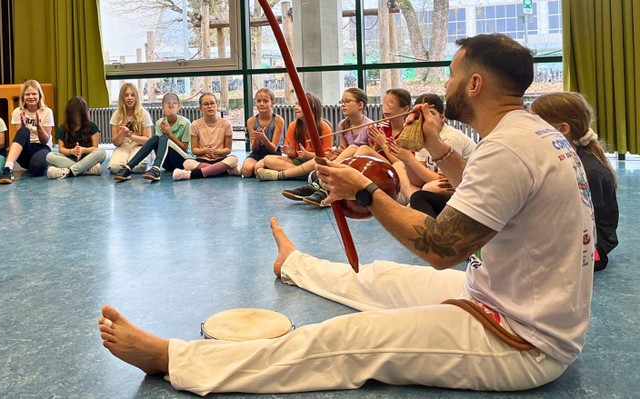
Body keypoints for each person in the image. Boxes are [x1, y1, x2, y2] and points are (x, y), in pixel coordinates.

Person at [97, 34, 595, 395]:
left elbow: (441, 248)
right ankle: (295, 266)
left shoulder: (508, 148)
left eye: (454, 74)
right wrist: (438, 149)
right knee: (377, 276)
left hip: (520, 340)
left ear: (477, 83)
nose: (447, 83)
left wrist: (365, 194)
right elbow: (479, 195)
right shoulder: (529, 133)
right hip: (501, 295)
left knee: (350, 340)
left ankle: (177, 360)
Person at [530, 91, 618, 271]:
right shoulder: (568, 156)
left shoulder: (588, 171)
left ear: (563, 129)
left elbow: (583, 224)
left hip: (592, 249)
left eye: (535, 124)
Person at [277, 88, 374, 205]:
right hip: (346, 162)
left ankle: (320, 184)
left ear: (360, 105)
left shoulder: (370, 126)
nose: (343, 105)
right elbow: (343, 149)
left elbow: (371, 153)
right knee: (324, 159)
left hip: (362, 165)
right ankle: (321, 185)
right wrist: (335, 153)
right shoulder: (342, 124)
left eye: (347, 101)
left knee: (353, 148)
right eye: (342, 102)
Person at [386, 93, 476, 213]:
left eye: (431, 113)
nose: (424, 118)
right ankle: (414, 198)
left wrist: (410, 159)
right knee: (397, 166)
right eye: (419, 114)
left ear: (442, 117)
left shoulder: (450, 137)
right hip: (435, 184)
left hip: (464, 185)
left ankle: (415, 202)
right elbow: (416, 180)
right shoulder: (421, 135)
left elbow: (444, 180)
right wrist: (406, 159)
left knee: (430, 187)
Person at [113, 92, 192, 182]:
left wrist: (170, 134)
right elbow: (157, 144)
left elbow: (185, 148)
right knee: (155, 138)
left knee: (164, 138)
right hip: (167, 163)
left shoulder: (185, 123)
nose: (171, 106)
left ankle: (155, 168)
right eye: (167, 103)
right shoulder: (159, 123)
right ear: (163, 108)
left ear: (179, 107)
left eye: (174, 103)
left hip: (184, 161)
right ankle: (128, 167)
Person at [254, 92, 332, 182]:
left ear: (311, 108)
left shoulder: (324, 127)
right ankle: (306, 174)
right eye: (295, 104)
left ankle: (282, 174)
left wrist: (308, 155)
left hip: (313, 161)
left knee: (315, 162)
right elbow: (294, 154)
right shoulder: (293, 126)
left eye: (299, 105)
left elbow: (326, 156)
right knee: (267, 160)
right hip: (298, 161)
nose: (295, 108)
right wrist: (291, 152)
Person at [171, 93, 239, 181]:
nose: (209, 106)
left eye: (212, 103)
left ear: (217, 105)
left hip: (220, 159)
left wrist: (216, 151)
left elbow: (228, 150)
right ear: (200, 108)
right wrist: (205, 151)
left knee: (233, 159)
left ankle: (190, 175)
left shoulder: (226, 124)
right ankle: (223, 170)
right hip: (202, 160)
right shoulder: (195, 124)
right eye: (206, 104)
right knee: (187, 163)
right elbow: (194, 150)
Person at [0, 80, 55, 184]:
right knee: (23, 130)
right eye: (27, 94)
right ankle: (7, 169)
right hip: (26, 149)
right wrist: (23, 127)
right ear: (23, 97)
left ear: (39, 95)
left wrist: (39, 126)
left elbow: (45, 140)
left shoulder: (47, 111)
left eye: (34, 94)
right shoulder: (18, 111)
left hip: (42, 146)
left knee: (36, 169)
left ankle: (40, 162)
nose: (31, 97)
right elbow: (20, 138)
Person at [45, 96, 107, 179]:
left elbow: (95, 148)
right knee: (49, 156)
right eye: (74, 114)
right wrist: (71, 151)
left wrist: (83, 150)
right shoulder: (62, 128)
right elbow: (61, 149)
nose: (77, 117)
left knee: (101, 152)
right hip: (68, 159)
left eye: (79, 114)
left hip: (87, 159)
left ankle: (68, 171)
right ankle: (87, 170)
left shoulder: (92, 127)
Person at [107, 83, 153, 175]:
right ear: (122, 98)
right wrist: (122, 134)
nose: (129, 98)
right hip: (123, 147)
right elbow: (115, 142)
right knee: (115, 168)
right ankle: (127, 165)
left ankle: (130, 165)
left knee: (138, 167)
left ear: (136, 97)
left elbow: (148, 140)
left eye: (132, 95)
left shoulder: (144, 114)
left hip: (139, 146)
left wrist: (131, 136)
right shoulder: (116, 114)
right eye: (126, 95)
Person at [241, 88, 285, 178]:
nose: (261, 104)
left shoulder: (278, 120)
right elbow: (254, 149)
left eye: (266, 101)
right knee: (245, 171)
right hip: (258, 152)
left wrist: (263, 138)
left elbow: (273, 149)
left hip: (273, 153)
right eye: (259, 101)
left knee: (258, 169)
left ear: (272, 103)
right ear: (255, 103)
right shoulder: (251, 121)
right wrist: (256, 139)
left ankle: (274, 168)